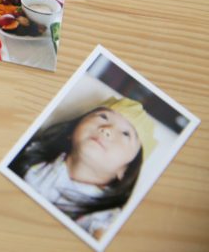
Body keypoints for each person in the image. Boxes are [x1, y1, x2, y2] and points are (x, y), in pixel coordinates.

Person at [8, 97, 157, 240]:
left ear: (126, 170)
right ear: (72, 131)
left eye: (126, 134)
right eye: (103, 116)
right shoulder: (31, 154)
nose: (107, 129)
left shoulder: (105, 219)